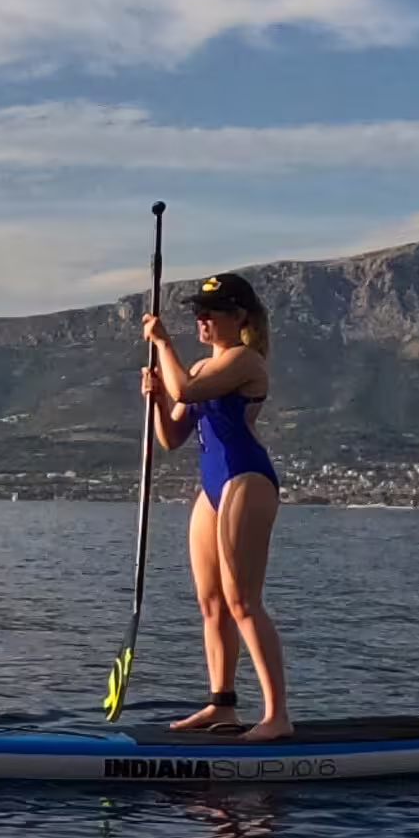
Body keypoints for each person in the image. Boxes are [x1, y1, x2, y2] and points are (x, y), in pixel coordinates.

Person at [141, 269, 288, 738]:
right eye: (198, 314)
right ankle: (222, 704)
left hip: (246, 479)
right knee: (211, 603)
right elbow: (171, 436)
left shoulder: (245, 361)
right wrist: (155, 398)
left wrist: (163, 346)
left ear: (238, 316)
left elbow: (184, 389)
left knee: (243, 601)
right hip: (212, 487)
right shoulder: (202, 369)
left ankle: (277, 716)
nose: (201, 321)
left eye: (211, 313)